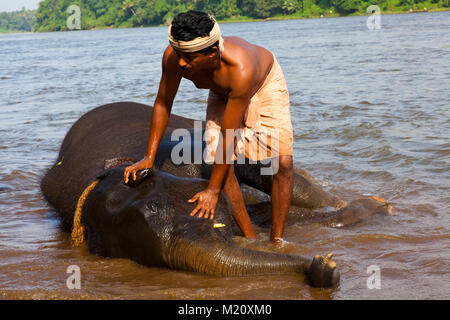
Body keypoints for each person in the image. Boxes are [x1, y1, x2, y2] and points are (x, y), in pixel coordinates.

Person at [123, 10, 293, 243]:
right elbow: (163, 103)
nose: (181, 62)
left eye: (189, 57)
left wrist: (212, 191)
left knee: (281, 162)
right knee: (218, 161)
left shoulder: (240, 69)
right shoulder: (176, 58)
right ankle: (250, 238)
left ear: (213, 53)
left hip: (262, 83)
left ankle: (277, 240)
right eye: (179, 54)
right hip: (222, 90)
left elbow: (228, 135)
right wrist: (148, 157)